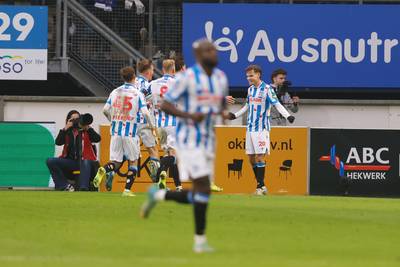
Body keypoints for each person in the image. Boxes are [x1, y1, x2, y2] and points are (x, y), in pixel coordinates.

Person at [140, 39, 230, 253]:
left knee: (202, 191)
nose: (212, 53)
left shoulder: (220, 77)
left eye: (214, 49)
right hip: (188, 138)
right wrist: (189, 115)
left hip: (208, 139)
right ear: (198, 55)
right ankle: (199, 242)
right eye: (207, 50)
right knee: (202, 187)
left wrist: (224, 113)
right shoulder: (187, 78)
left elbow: (220, 105)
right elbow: (165, 104)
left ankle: (159, 195)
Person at [227, 65, 295, 195]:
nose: (249, 78)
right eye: (247, 76)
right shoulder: (251, 90)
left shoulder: (267, 89)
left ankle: (260, 187)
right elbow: (247, 105)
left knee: (259, 157)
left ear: (258, 75)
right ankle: (261, 185)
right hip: (250, 128)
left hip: (261, 129)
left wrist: (288, 115)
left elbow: (276, 104)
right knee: (251, 158)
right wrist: (235, 115)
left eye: (251, 75)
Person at [93, 66, 156, 197]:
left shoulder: (115, 91)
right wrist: (152, 126)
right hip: (130, 133)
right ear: (134, 77)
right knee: (132, 162)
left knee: (115, 162)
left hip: (115, 132)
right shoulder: (137, 93)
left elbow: (105, 109)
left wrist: (113, 120)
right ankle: (127, 190)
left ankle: (104, 169)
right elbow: (145, 112)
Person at [149, 59, 182, 191]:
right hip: (173, 124)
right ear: (173, 70)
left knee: (169, 153)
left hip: (159, 124)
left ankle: (177, 185)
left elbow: (144, 98)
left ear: (162, 69)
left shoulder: (153, 84)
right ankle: (160, 169)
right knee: (174, 157)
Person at [46, 110, 101, 191]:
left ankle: (83, 188)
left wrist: (88, 128)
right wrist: (65, 129)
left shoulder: (86, 130)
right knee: (50, 161)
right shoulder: (67, 132)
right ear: (68, 121)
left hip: (87, 163)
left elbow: (97, 139)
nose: (76, 122)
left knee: (85, 162)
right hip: (71, 162)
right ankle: (64, 186)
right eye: (73, 120)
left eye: (77, 119)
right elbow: (58, 142)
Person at [135, 59, 160, 182]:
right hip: (144, 120)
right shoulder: (148, 85)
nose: (153, 72)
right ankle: (158, 180)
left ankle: (109, 169)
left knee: (129, 155)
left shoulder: (132, 82)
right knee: (153, 149)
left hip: (131, 122)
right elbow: (148, 102)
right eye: (152, 69)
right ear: (148, 71)